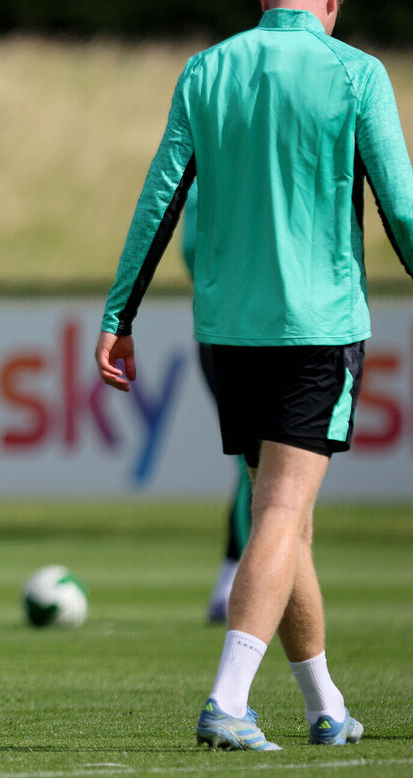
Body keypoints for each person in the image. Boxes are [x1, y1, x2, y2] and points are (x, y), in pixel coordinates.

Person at [95, 0, 413, 751]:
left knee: (283, 519)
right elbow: (402, 210)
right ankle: (227, 700)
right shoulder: (357, 73)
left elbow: (160, 197)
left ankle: (325, 706)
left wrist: (119, 315)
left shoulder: (207, 69)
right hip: (317, 329)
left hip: (229, 333)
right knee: (281, 511)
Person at [180, 186, 253, 625]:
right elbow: (192, 249)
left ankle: (234, 582)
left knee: (263, 467)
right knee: (258, 464)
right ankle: (246, 586)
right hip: (238, 330)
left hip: (240, 328)